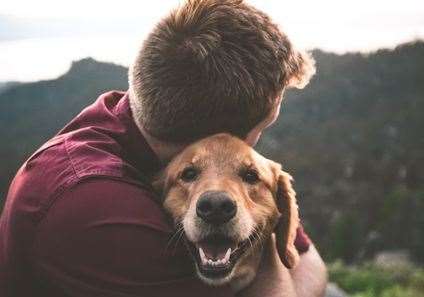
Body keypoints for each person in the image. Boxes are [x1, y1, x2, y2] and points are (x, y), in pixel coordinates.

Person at [0, 0, 327, 296]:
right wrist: (269, 246)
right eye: (266, 123)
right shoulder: (95, 207)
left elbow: (310, 262)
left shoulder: (131, 121)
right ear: (220, 137)